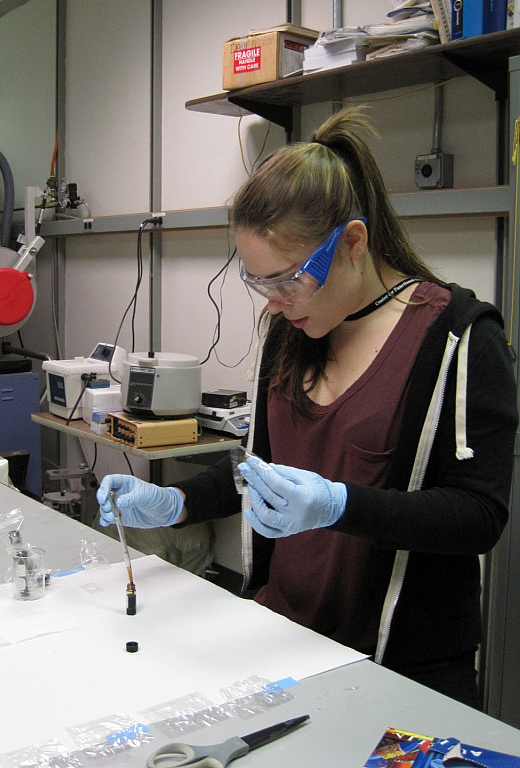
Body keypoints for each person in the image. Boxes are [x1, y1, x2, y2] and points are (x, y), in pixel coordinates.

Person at [96, 106, 518, 709]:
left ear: (352, 243)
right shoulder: (295, 331)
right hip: (282, 642)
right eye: (259, 282)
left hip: (397, 668)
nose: (274, 302)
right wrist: (178, 501)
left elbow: (479, 516)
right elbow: (260, 470)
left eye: (288, 279)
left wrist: (340, 505)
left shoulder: (458, 338)